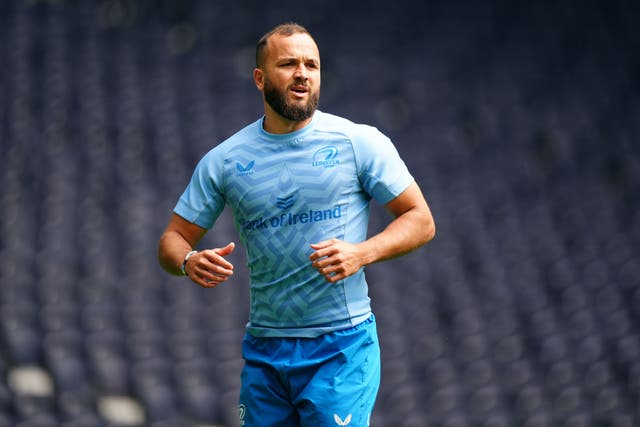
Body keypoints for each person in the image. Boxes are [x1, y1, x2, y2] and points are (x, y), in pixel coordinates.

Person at [158, 22, 435, 427]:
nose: (303, 73)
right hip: (264, 351)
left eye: (312, 64)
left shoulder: (359, 142)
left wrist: (362, 253)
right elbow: (172, 239)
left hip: (341, 346)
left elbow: (421, 220)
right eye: (288, 64)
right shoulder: (225, 160)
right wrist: (188, 260)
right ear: (259, 78)